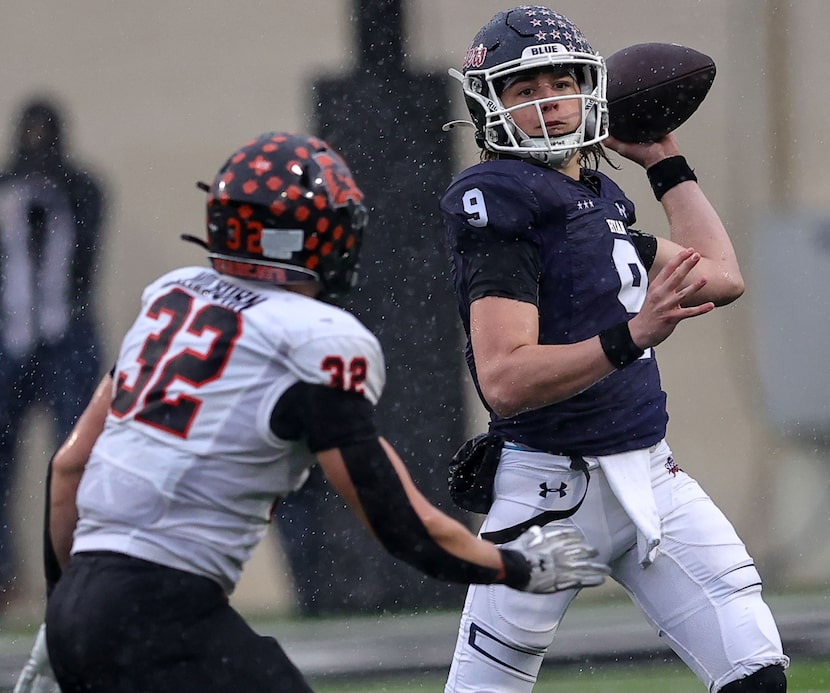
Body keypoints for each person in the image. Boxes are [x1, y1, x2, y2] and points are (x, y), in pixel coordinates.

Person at [14, 131, 609, 693]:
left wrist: (67, 616)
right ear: (312, 237)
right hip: (160, 613)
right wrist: (515, 565)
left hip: (84, 602)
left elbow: (68, 468)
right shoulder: (314, 339)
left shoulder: (173, 300)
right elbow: (399, 522)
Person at [439, 6, 788, 693]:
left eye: (560, 81)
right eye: (525, 90)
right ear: (490, 105)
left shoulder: (599, 201)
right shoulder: (499, 199)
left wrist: (664, 160)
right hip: (551, 497)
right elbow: (505, 380)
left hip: (652, 480)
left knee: (757, 676)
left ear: (590, 86)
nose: (549, 103)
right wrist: (631, 336)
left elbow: (720, 274)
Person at [0, 96, 104, 602]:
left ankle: (78, 567)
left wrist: (51, 199)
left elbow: (85, 251)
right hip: (11, 334)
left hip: (67, 334)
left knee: (76, 449)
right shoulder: (6, 192)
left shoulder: (82, 189)